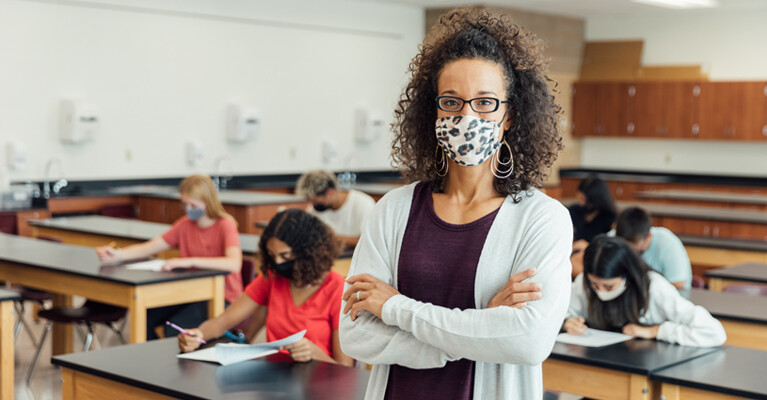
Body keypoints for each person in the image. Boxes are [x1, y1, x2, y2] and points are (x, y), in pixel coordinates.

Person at [339, 8, 572, 400]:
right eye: (452, 101)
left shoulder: (542, 219)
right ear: (433, 111)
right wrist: (480, 328)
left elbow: (527, 342)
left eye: (485, 102)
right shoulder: (394, 210)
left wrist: (395, 308)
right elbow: (355, 335)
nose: (467, 116)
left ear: (510, 115)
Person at [177, 209, 354, 366]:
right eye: (272, 255)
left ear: (309, 253)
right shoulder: (273, 278)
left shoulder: (337, 289)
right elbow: (222, 322)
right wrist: (198, 334)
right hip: (275, 378)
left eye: (285, 256)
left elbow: (345, 367)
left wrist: (314, 353)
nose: (277, 262)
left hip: (320, 384)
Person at [96, 174, 242, 339]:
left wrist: (189, 261)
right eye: (185, 204)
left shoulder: (225, 224)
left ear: (207, 202)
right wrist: (119, 255)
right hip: (192, 292)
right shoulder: (184, 224)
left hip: (222, 296)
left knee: (176, 329)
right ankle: (154, 360)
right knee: (145, 317)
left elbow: (234, 264)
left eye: (193, 204)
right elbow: (152, 246)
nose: (188, 209)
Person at [563, 235, 725, 347]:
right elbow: (561, 310)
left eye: (609, 286)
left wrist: (656, 331)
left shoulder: (654, 287)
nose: (600, 291)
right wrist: (568, 322)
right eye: (594, 285)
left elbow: (714, 332)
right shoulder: (584, 282)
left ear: (627, 274)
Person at [614, 207, 692, 289]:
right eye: (625, 246)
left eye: (633, 246)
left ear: (648, 236)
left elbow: (678, 285)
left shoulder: (667, 244)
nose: (629, 250)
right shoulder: (614, 239)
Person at [296, 169, 376, 248]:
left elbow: (369, 240)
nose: (312, 204)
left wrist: (331, 238)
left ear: (330, 192)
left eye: (315, 201)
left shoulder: (363, 204)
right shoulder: (314, 210)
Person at [568, 176, 617, 243]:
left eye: (583, 199)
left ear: (595, 200)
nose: (580, 202)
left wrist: (587, 246)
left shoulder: (610, 218)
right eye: (578, 197)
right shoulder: (573, 210)